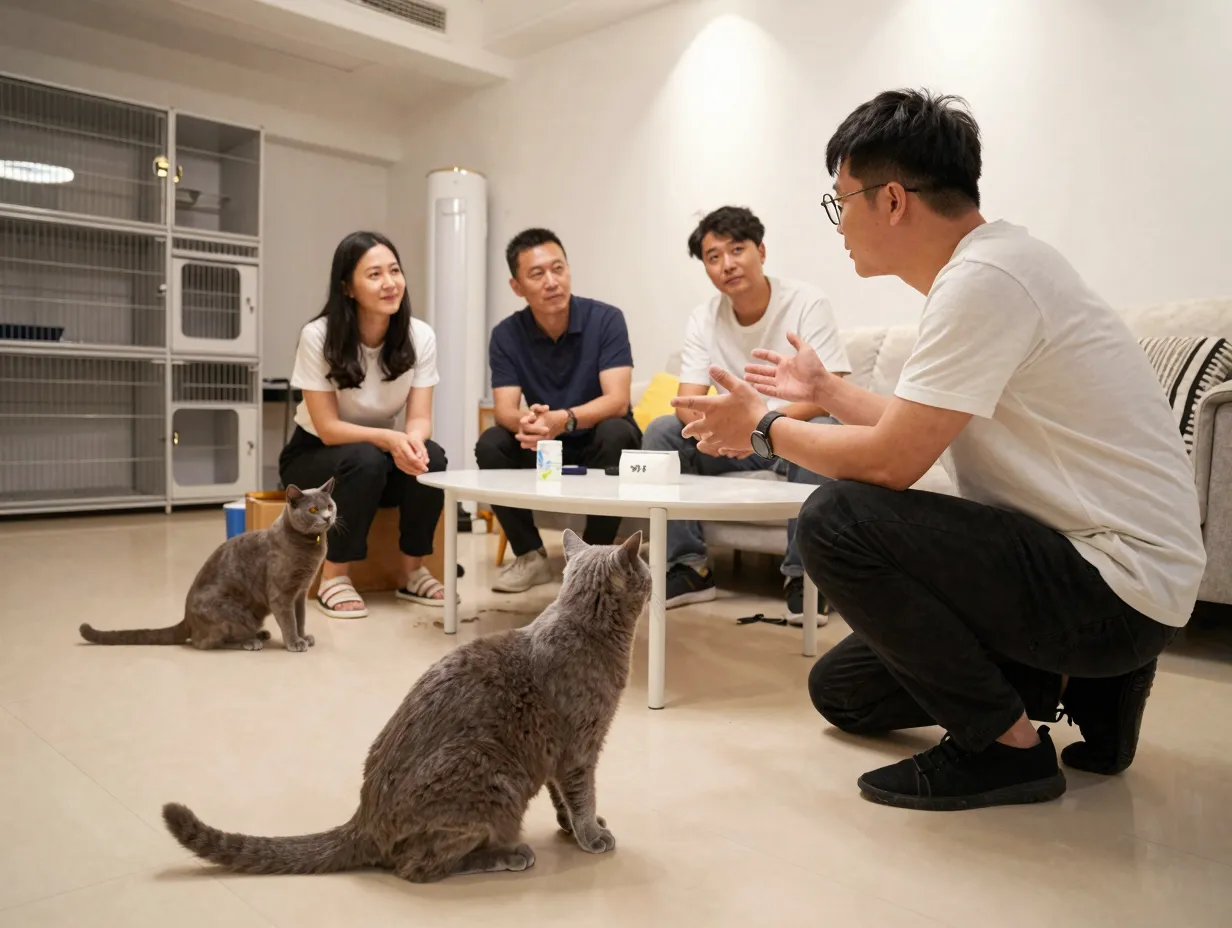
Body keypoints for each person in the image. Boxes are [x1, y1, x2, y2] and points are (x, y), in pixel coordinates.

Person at [671, 89, 1205, 811]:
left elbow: (895, 461)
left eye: (841, 203)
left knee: (834, 518)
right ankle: (1090, 687)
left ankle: (1008, 752)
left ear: (892, 200)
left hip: (1113, 581)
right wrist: (825, 392)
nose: (839, 226)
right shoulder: (990, 268)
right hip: (1093, 570)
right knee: (843, 694)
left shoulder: (988, 280)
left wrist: (761, 430)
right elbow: (917, 423)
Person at [643, 206, 851, 618]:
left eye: (736, 249)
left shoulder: (807, 302)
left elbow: (832, 392)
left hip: (792, 437)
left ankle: (804, 576)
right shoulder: (704, 318)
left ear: (761, 250)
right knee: (662, 432)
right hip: (735, 442)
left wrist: (761, 429)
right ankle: (689, 567)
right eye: (713, 257)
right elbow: (687, 401)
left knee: (827, 428)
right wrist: (718, 431)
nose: (727, 264)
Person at [279, 230, 449, 619]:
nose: (390, 283)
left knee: (432, 457)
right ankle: (334, 576)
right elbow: (327, 429)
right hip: (315, 458)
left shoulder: (419, 335)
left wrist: (412, 443)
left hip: (374, 457)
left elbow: (420, 419)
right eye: (374, 274)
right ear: (348, 288)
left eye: (395, 271)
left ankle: (413, 570)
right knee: (364, 458)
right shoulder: (318, 336)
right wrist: (388, 439)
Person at [476, 228, 642, 593]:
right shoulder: (506, 334)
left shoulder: (606, 319)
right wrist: (530, 422)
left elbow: (618, 400)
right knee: (491, 443)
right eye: (537, 274)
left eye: (558, 268)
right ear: (517, 286)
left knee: (617, 430)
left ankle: (596, 561)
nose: (552, 282)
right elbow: (504, 408)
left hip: (599, 437)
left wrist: (562, 420)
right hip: (547, 445)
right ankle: (530, 555)